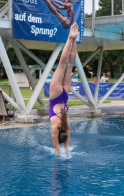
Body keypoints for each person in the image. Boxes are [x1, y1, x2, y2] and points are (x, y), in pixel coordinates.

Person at [49, 22, 78, 156]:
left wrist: (66, 150)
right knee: (62, 64)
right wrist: (58, 152)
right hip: (55, 96)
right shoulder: (56, 125)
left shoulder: (67, 126)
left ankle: (74, 38)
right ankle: (70, 37)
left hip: (64, 95)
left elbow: (67, 144)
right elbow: (56, 145)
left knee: (70, 64)